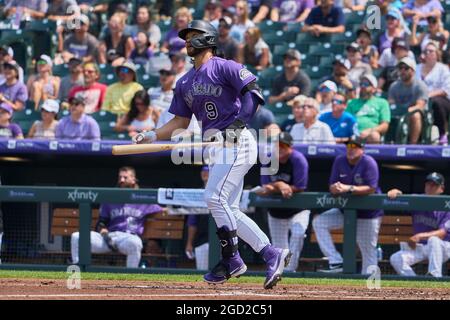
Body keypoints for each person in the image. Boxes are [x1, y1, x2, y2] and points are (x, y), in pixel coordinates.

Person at [132, 20, 291, 289]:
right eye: (186, 36)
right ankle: (271, 253)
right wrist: (152, 134)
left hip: (238, 141)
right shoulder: (184, 82)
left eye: (192, 36)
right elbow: (179, 123)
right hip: (217, 147)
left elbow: (254, 94)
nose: (187, 40)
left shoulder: (225, 66)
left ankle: (231, 259)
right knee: (227, 208)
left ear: (207, 39)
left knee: (212, 197)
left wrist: (237, 125)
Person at [312, 136, 383, 274]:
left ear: (362, 149)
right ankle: (336, 261)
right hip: (345, 211)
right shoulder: (340, 160)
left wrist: (348, 188)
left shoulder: (369, 162)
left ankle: (370, 283)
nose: (350, 149)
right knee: (319, 222)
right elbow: (332, 185)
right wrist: (335, 188)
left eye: (354, 147)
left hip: (367, 214)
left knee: (367, 249)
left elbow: (371, 188)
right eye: (349, 146)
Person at [71, 166, 164, 268]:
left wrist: (179, 209)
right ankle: (78, 271)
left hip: (128, 238)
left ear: (133, 180)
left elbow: (163, 211)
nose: (121, 180)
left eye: (125, 177)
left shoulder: (142, 197)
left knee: (136, 243)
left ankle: (130, 278)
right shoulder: (111, 197)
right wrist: (104, 233)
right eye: (120, 178)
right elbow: (101, 222)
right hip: (109, 237)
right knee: (76, 237)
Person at [257, 132, 310, 272]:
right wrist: (280, 184)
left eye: (283, 145)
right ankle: (284, 274)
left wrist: (276, 186)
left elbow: (299, 187)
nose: (279, 148)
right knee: (280, 249)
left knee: (298, 234)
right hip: (276, 212)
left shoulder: (298, 159)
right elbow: (265, 187)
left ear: (290, 147)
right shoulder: (268, 159)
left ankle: (290, 271)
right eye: (277, 145)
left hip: (298, 209)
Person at [388, 172, 450, 277]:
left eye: (434, 185)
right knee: (396, 258)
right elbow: (402, 200)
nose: (430, 187)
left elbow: (442, 233)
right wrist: (397, 192)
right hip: (421, 247)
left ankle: (435, 277)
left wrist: (419, 236)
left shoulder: (447, 204)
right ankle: (416, 282)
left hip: (443, 247)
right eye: (428, 184)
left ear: (441, 189)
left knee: (433, 240)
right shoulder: (417, 200)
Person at [388, 57, 429, 144]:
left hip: (414, 113)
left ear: (413, 71)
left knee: (416, 115)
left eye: (406, 68)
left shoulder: (420, 86)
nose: (402, 71)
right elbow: (391, 103)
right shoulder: (394, 86)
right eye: (400, 68)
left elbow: (420, 105)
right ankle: (389, 142)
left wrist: (407, 110)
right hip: (398, 112)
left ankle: (412, 144)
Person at [416, 42, 450, 145]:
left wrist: (428, 95)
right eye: (426, 51)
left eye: (431, 51)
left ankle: (442, 133)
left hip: (441, 100)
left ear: (437, 54)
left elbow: (446, 90)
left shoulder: (443, 69)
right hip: (419, 100)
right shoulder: (417, 68)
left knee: (436, 102)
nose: (428, 53)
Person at [346, 74, 391, 143]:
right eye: (361, 84)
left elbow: (385, 125)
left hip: (370, 135)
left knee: (374, 136)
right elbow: (345, 120)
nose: (363, 86)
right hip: (353, 135)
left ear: (374, 88)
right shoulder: (351, 102)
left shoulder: (382, 102)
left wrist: (369, 131)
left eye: (366, 84)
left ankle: (372, 154)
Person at [184, 166, 211, 271]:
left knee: (222, 274)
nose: (204, 173)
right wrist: (189, 243)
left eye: (208, 171)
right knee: (202, 272)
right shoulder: (197, 194)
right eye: (203, 171)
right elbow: (192, 222)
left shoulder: (223, 192)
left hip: (221, 241)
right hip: (202, 240)